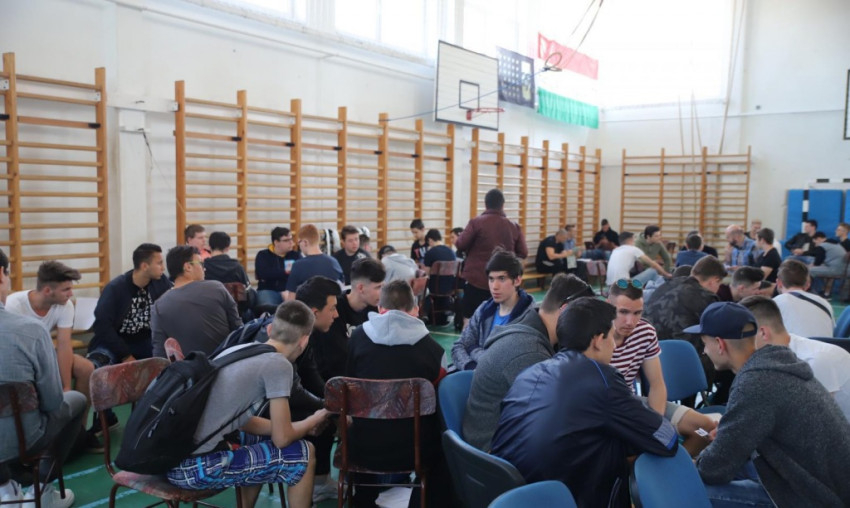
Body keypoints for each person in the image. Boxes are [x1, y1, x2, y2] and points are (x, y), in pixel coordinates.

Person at [491, 297, 678, 507]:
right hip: (558, 499)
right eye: (611, 336)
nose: (614, 345)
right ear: (598, 340)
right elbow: (666, 440)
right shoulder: (602, 378)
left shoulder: (530, 372)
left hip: (508, 495)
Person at [166, 301, 331, 508]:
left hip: (172, 460)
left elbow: (243, 422)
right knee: (305, 454)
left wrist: (296, 426)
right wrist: (313, 420)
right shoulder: (279, 365)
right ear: (304, 340)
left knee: (258, 439)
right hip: (197, 470)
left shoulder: (242, 348)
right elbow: (282, 439)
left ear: (270, 330)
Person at [687, 302, 850, 507]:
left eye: (705, 344)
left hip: (812, 497)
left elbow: (713, 470)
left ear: (720, 344)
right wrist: (729, 435)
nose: (704, 351)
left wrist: (700, 459)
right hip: (824, 484)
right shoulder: (777, 365)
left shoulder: (755, 383)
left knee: (687, 491)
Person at [345, 280, 447, 506]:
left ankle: (363, 499)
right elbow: (440, 404)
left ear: (380, 308)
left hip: (363, 447)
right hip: (416, 450)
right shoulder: (433, 350)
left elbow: (349, 388)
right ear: (415, 309)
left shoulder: (357, 339)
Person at [463, 274, 592, 451]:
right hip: (492, 452)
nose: (586, 331)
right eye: (585, 322)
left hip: (498, 437)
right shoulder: (531, 352)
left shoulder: (530, 326)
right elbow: (553, 419)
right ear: (565, 310)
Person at [0, 248, 84, 508]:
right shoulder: (31, 330)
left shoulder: (53, 312)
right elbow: (51, 402)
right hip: (24, 438)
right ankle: (41, 490)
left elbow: (65, 347)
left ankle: (5, 489)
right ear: (1, 275)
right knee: (77, 400)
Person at [607, 277, 719, 454]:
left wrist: (656, 423)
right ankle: (641, 466)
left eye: (637, 313)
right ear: (608, 306)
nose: (630, 322)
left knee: (704, 430)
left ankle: (671, 466)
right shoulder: (595, 335)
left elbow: (657, 384)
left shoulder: (645, 332)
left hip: (632, 403)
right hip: (606, 408)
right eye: (623, 312)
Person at [741, 296, 850, 420]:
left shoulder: (815, 361)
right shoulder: (786, 351)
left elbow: (819, 419)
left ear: (763, 333)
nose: (739, 344)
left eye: (743, 337)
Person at [293, 276, 342, 502]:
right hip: (267, 411)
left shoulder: (306, 332)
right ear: (314, 312)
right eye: (332, 309)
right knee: (322, 418)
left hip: (286, 400)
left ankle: (321, 480)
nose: (336, 314)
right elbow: (294, 391)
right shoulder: (295, 339)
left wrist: (334, 406)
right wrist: (330, 410)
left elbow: (313, 378)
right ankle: (318, 483)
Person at [151, 246, 242, 358]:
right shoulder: (216, 288)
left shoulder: (158, 307)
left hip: (189, 368)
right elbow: (238, 329)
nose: (204, 269)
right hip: (226, 362)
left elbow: (160, 354)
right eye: (201, 263)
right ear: (188, 267)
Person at [450, 250, 534, 371]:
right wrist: (471, 367)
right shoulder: (484, 309)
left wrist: (473, 350)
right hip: (473, 373)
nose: (495, 286)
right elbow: (459, 346)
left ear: (517, 281)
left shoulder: (529, 317)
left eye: (502, 279)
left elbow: (504, 362)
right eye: (491, 279)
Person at [455, 189, 527, 326]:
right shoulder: (513, 226)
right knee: (502, 319)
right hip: (503, 281)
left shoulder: (476, 223)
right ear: (503, 205)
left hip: (476, 280)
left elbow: (460, 244)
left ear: (485, 204)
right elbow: (523, 252)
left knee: (470, 320)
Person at [317, 258, 385, 383]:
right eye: (378, 287)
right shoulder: (334, 311)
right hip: (339, 381)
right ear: (361, 288)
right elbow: (335, 360)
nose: (382, 292)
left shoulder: (375, 310)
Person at [644, 255, 724, 342]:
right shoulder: (707, 297)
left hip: (648, 344)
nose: (718, 289)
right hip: (682, 348)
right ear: (715, 280)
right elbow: (718, 333)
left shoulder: (666, 286)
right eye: (719, 284)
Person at [773, 259, 835, 337]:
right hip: (826, 344)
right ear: (808, 285)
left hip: (795, 345)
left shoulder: (776, 303)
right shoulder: (824, 303)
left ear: (778, 283)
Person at [284, 224, 344, 301]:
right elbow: (342, 290)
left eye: (299, 242)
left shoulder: (298, 265)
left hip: (307, 308)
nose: (299, 246)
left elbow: (291, 300)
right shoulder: (334, 262)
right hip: (331, 307)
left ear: (305, 242)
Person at [255, 227, 302, 310]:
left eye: (291, 239)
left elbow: (300, 274)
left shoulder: (295, 255)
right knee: (266, 309)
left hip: (290, 291)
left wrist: (276, 274)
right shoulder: (263, 255)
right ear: (276, 242)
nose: (291, 243)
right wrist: (285, 272)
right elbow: (262, 274)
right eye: (286, 240)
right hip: (268, 290)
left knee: (296, 310)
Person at [605, 231, 671, 286]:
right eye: (634, 239)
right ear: (630, 240)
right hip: (624, 286)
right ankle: (664, 287)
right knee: (652, 271)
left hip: (610, 287)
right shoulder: (633, 249)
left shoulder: (615, 250)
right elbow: (653, 264)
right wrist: (666, 274)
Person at [422, 229, 457, 323]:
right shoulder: (451, 252)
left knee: (422, 285)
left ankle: (424, 313)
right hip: (450, 286)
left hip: (435, 287)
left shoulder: (430, 253)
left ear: (430, 240)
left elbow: (426, 273)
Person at [808, 231, 849, 295]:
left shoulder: (823, 245)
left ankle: (811, 292)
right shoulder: (836, 244)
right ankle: (825, 293)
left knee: (810, 270)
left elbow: (818, 262)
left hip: (836, 270)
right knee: (818, 270)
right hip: (843, 270)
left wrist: (810, 266)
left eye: (815, 242)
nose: (815, 244)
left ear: (818, 239)